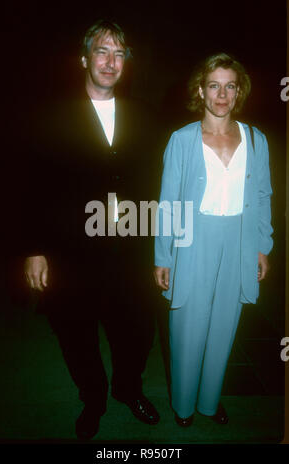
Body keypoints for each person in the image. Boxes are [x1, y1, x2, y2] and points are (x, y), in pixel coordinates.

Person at [23, 19, 160, 440]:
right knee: (77, 333)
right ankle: (94, 397)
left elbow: (160, 183)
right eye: (102, 51)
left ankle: (128, 389)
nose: (111, 61)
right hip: (72, 251)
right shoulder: (49, 115)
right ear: (84, 58)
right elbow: (30, 185)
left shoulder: (146, 115)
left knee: (136, 329)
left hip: (132, 247)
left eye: (120, 54)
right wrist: (34, 249)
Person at [154, 53, 273, 426]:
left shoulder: (256, 139)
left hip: (237, 240)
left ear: (239, 92)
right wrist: (164, 256)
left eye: (230, 86)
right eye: (214, 85)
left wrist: (262, 246)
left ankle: (209, 401)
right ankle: (184, 405)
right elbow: (168, 203)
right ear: (200, 91)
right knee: (187, 326)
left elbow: (263, 195)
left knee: (225, 325)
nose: (222, 94)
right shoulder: (182, 139)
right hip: (194, 240)